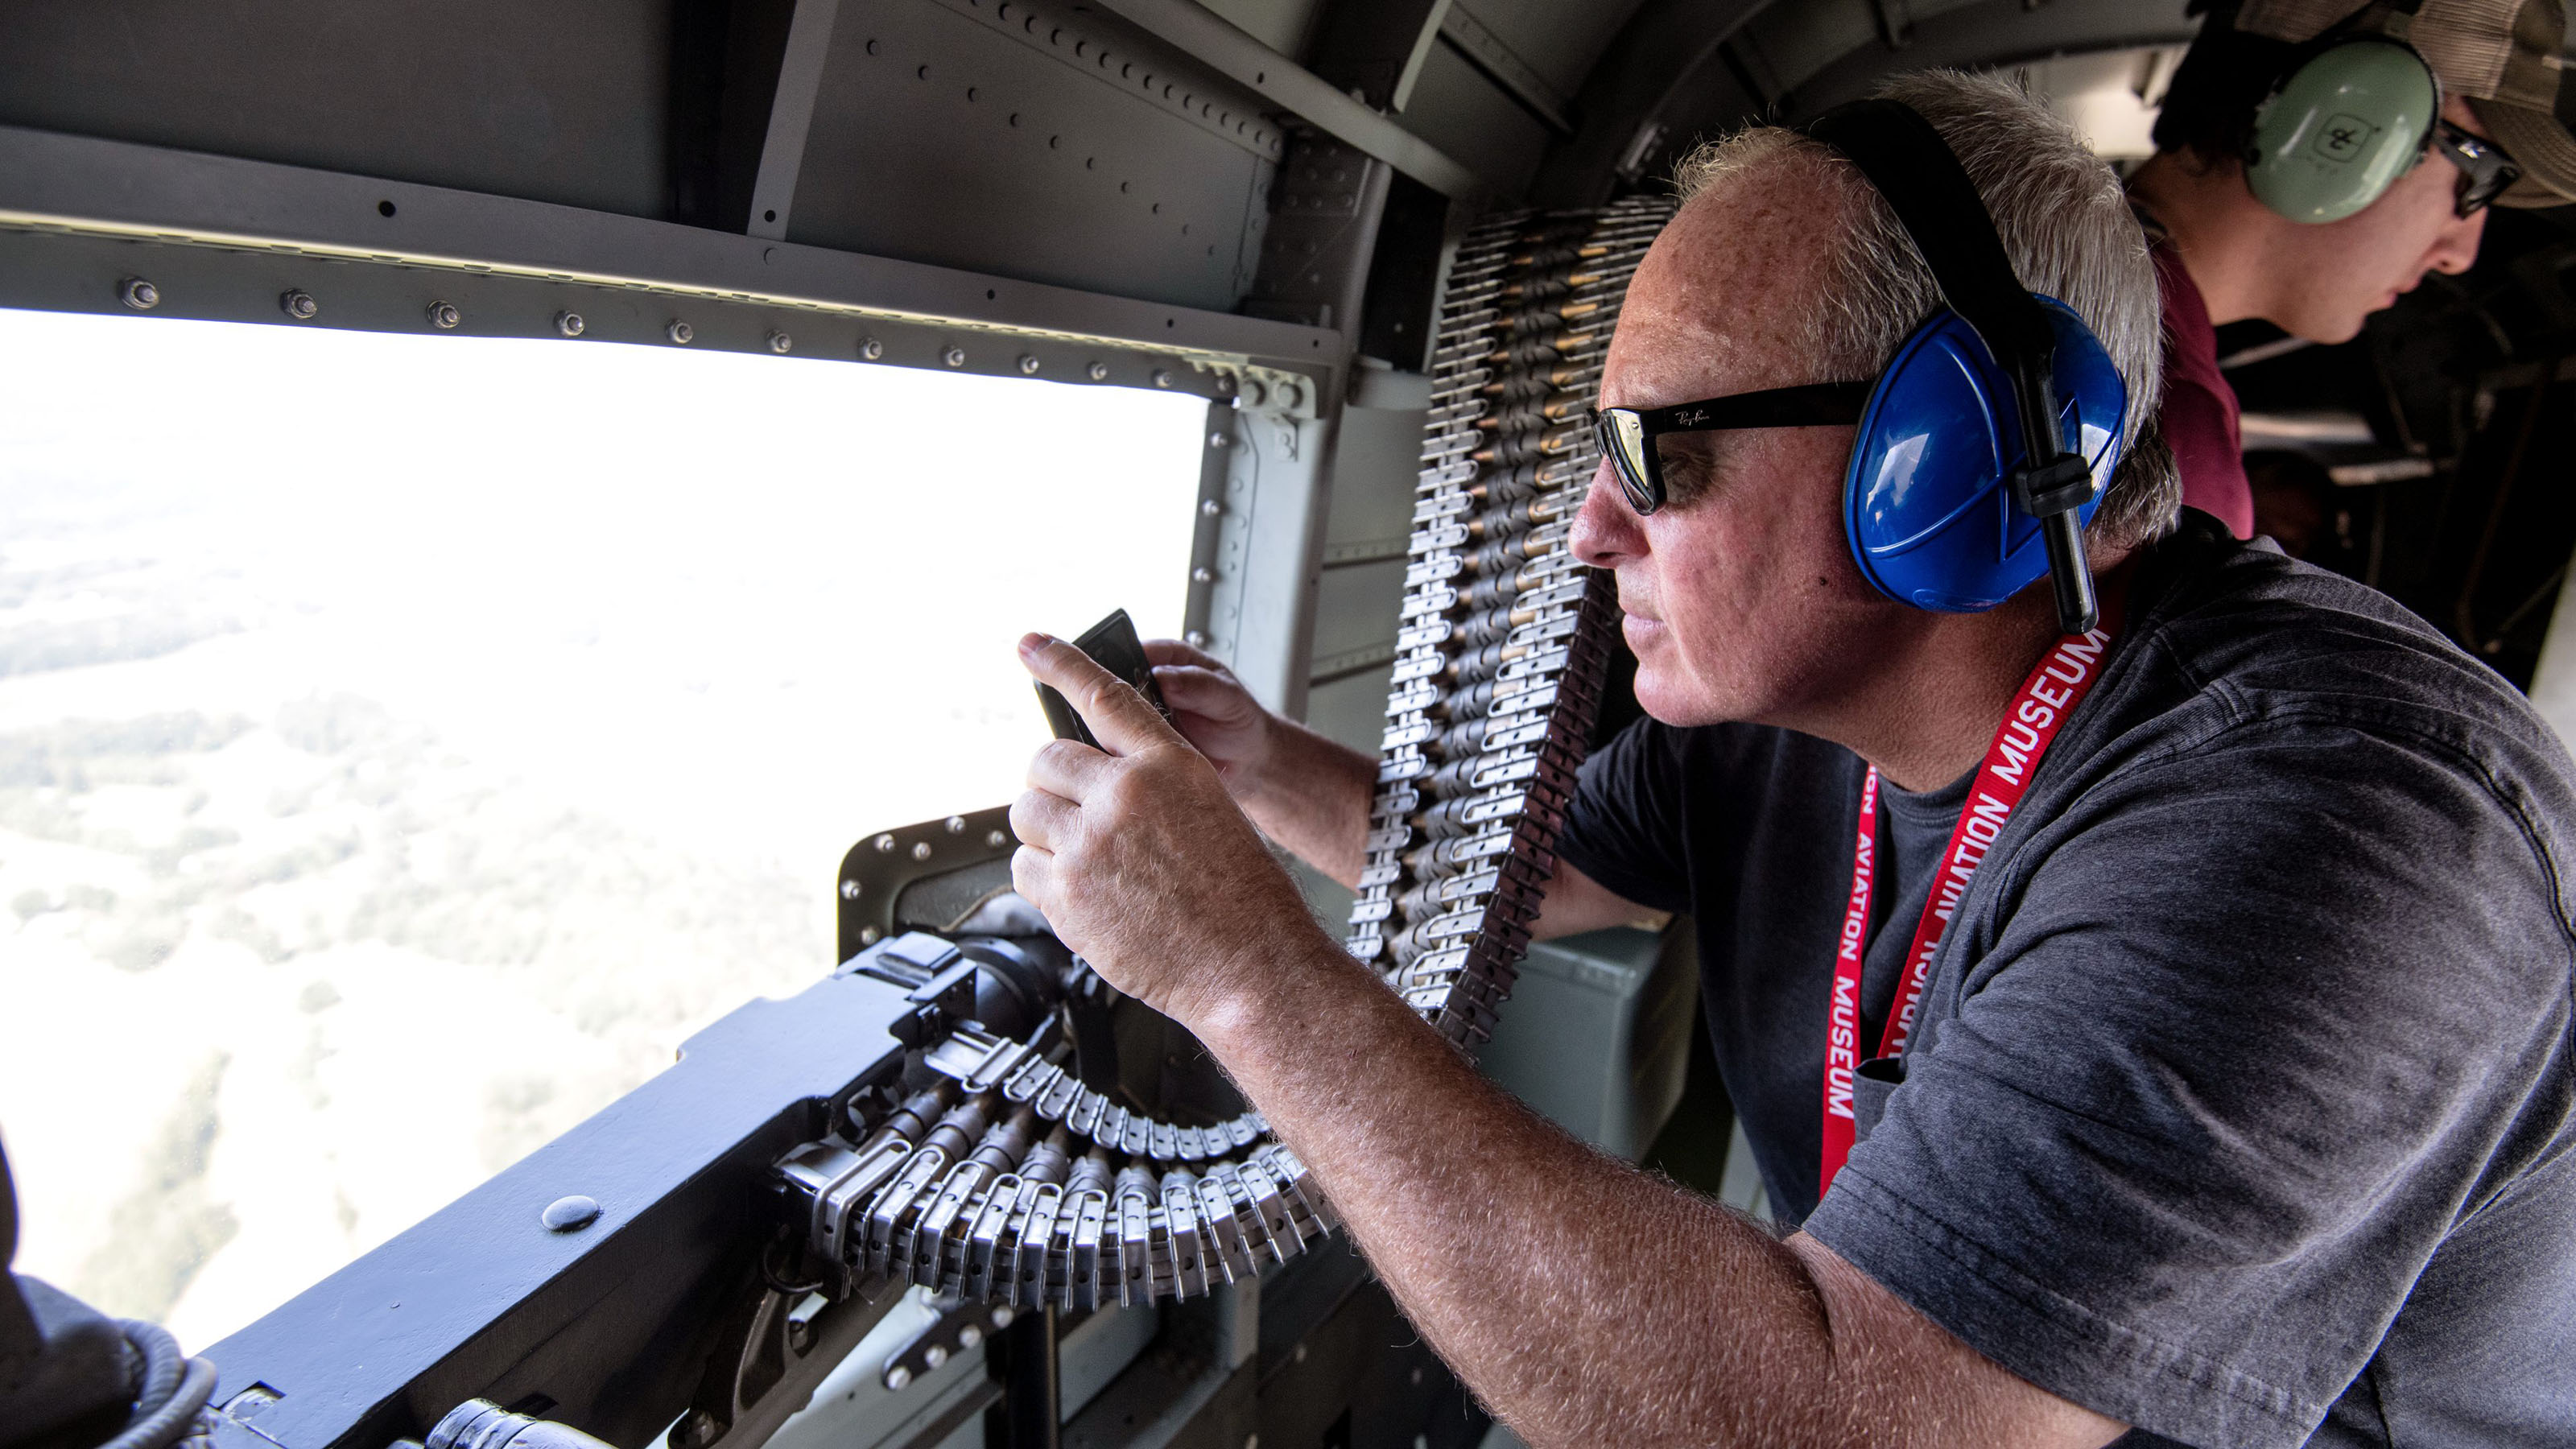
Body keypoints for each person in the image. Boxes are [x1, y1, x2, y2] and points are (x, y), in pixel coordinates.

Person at [1009, 69, 2576, 1449]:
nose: (1591, 531)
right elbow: (1545, 872)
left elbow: (1847, 1423)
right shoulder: (1789, 711)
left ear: (1951, 456)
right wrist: (1259, 769)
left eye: (1661, 454)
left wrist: (1245, 978)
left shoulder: (2328, 825)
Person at [2132, 0, 2576, 539]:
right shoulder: (2168, 454)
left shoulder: (2063, 255)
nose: (2459, 256)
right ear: (2344, 123)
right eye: (2478, 179)